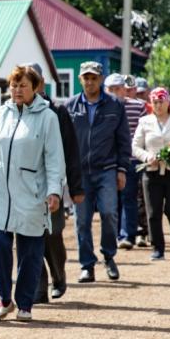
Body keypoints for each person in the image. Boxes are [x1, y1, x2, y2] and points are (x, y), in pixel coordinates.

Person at [0, 65, 64, 321]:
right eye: (14, 85)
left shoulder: (47, 117)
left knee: (30, 252)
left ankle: (25, 303)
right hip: (0, 194)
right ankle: (4, 298)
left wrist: (54, 191)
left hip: (32, 193)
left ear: (36, 88)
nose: (18, 91)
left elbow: (54, 159)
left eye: (23, 86)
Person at [25, 65, 83, 305]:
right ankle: (39, 287)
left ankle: (59, 276)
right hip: (25, 185)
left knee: (52, 233)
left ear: (40, 84)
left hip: (52, 183)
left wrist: (76, 187)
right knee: (30, 236)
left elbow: (71, 151)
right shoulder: (16, 111)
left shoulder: (57, 111)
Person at [68, 64, 130, 283]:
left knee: (109, 214)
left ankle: (109, 255)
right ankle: (87, 265)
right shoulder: (70, 106)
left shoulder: (114, 105)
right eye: (86, 78)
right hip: (80, 173)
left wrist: (122, 169)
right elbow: (65, 142)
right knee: (82, 220)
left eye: (94, 78)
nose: (90, 82)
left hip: (107, 170)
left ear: (101, 79)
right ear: (80, 79)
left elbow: (123, 140)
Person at [132, 88, 170, 259]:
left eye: (161, 102)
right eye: (155, 102)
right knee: (153, 212)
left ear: (168, 102)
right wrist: (147, 156)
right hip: (151, 172)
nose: (158, 106)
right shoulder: (145, 122)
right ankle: (157, 247)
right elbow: (135, 146)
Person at [118, 75, 149, 250]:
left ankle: (133, 233)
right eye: (126, 89)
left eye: (132, 89)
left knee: (133, 197)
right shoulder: (109, 106)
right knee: (123, 198)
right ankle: (124, 233)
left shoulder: (139, 107)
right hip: (116, 159)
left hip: (135, 158)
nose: (129, 92)